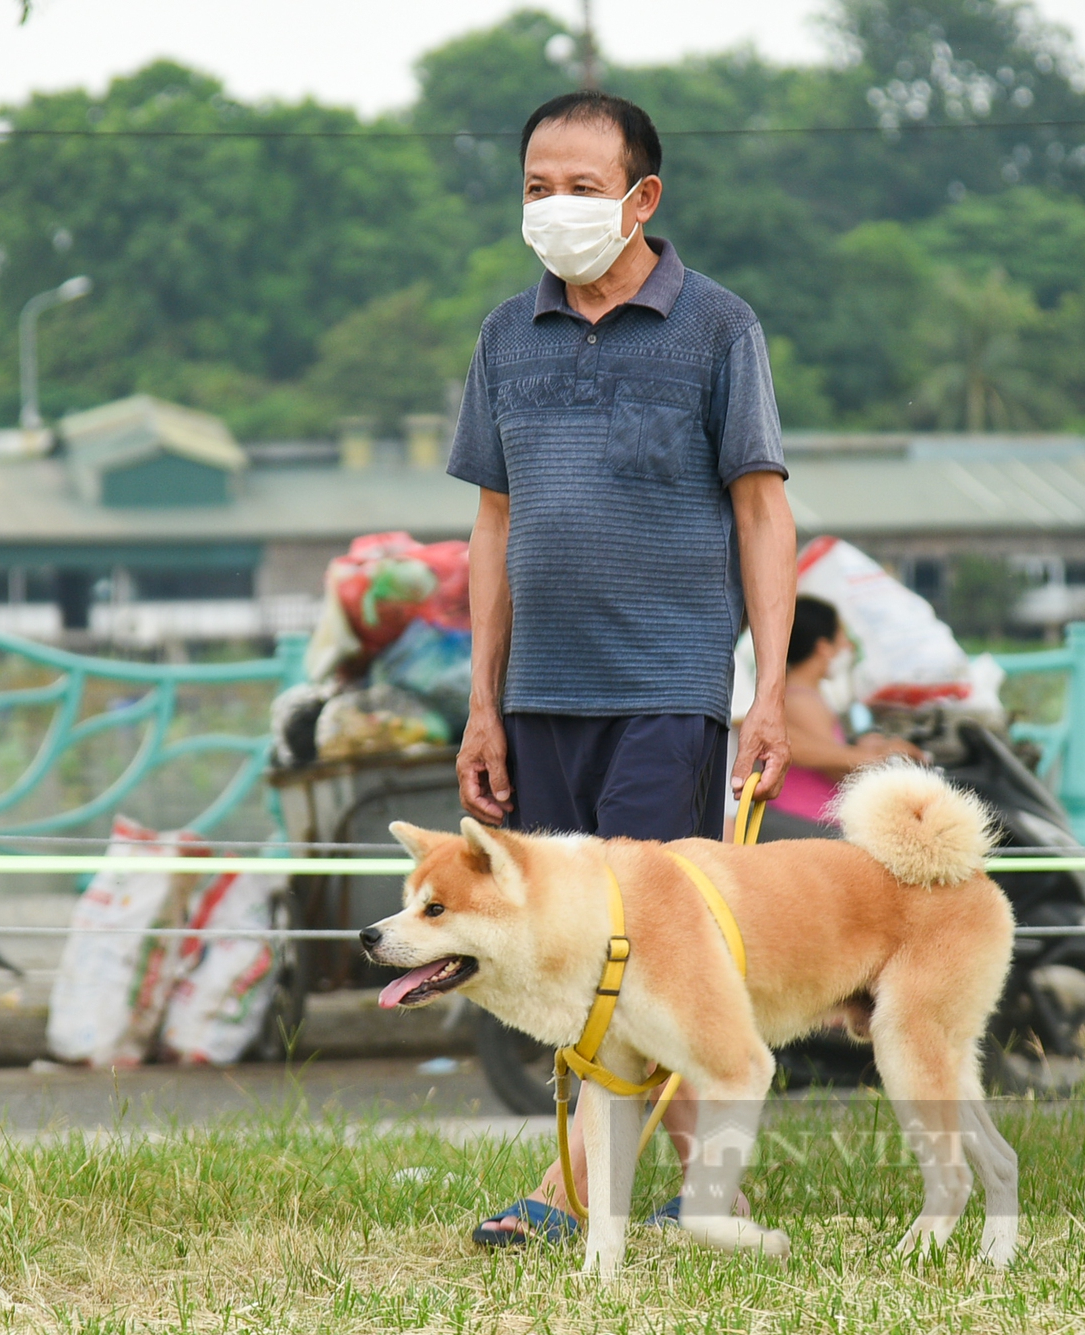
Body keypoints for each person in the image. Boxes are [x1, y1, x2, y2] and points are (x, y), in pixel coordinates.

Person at [448, 91, 798, 1245]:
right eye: (536, 188)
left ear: (641, 197)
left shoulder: (716, 329)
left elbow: (762, 514)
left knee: (639, 949)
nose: (555, 208)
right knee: (568, 951)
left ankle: (565, 1196)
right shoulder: (507, 335)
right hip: (537, 696)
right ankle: (711, 1186)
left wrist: (770, 690)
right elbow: (492, 526)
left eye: (581, 188)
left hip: (664, 690)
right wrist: (480, 706)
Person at [772, 596, 925, 828]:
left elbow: (830, 753)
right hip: (809, 817)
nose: (848, 648)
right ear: (823, 647)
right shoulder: (801, 700)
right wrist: (881, 755)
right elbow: (833, 766)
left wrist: (868, 749)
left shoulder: (804, 695)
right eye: (842, 639)